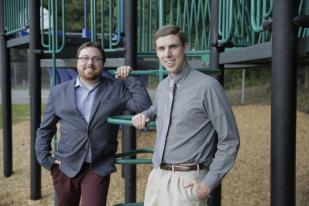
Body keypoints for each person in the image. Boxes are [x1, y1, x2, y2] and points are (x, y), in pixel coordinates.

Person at [132, 25, 240, 206]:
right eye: (161, 48)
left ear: (185, 47)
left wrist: (208, 183)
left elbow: (230, 140)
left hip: (187, 182)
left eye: (173, 46)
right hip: (157, 177)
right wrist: (145, 114)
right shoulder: (163, 86)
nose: (167, 54)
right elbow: (158, 108)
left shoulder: (208, 87)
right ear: (157, 52)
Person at [35, 41, 152, 206]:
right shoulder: (58, 91)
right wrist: (45, 159)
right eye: (85, 58)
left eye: (96, 59)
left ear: (103, 64)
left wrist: (129, 78)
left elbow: (144, 106)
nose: (90, 63)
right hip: (65, 166)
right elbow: (45, 129)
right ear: (77, 62)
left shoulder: (116, 88)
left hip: (98, 166)